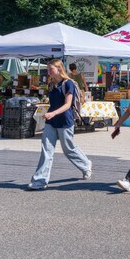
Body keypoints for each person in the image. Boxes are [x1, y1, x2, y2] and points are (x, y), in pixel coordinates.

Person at [27, 59, 92, 190]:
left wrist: (53, 113)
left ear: (59, 69)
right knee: (46, 150)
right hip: (51, 121)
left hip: (65, 120)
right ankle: (39, 181)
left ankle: (85, 164)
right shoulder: (51, 84)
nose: (49, 72)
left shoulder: (69, 84)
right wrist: (49, 113)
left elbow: (68, 105)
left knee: (68, 149)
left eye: (51, 69)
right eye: (48, 69)